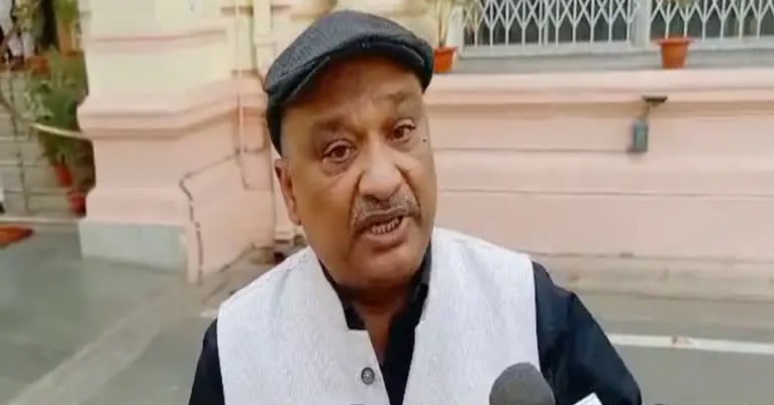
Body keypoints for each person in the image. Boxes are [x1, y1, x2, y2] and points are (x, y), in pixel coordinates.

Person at [189, 10, 642, 405]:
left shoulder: (527, 306)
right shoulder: (236, 349)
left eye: (401, 131)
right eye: (338, 151)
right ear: (289, 190)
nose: (383, 180)